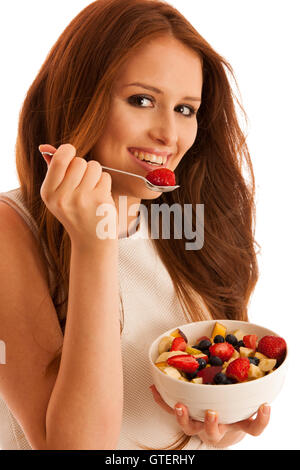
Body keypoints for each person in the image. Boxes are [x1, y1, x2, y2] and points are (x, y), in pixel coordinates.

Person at [0, 0, 270, 450]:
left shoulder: (185, 218)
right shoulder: (12, 228)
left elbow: (203, 410)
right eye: (142, 100)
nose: (169, 134)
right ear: (80, 97)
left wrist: (221, 425)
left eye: (186, 109)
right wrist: (94, 243)